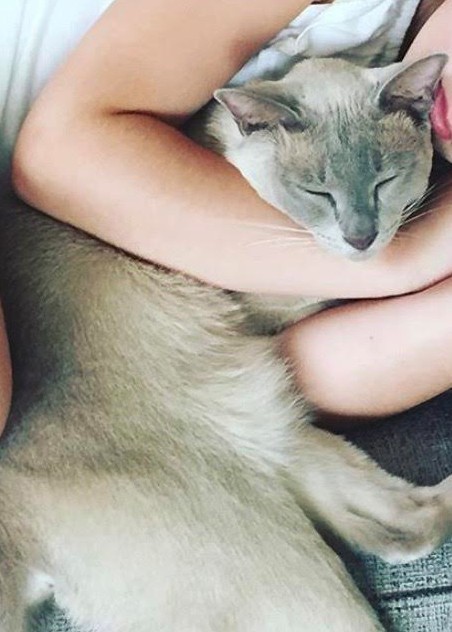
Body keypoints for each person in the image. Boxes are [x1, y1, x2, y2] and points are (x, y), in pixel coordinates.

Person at [0, 3, 451, 630]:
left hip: (121, 329)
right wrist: (400, 262)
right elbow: (56, 155)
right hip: (59, 274)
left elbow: (318, 372)